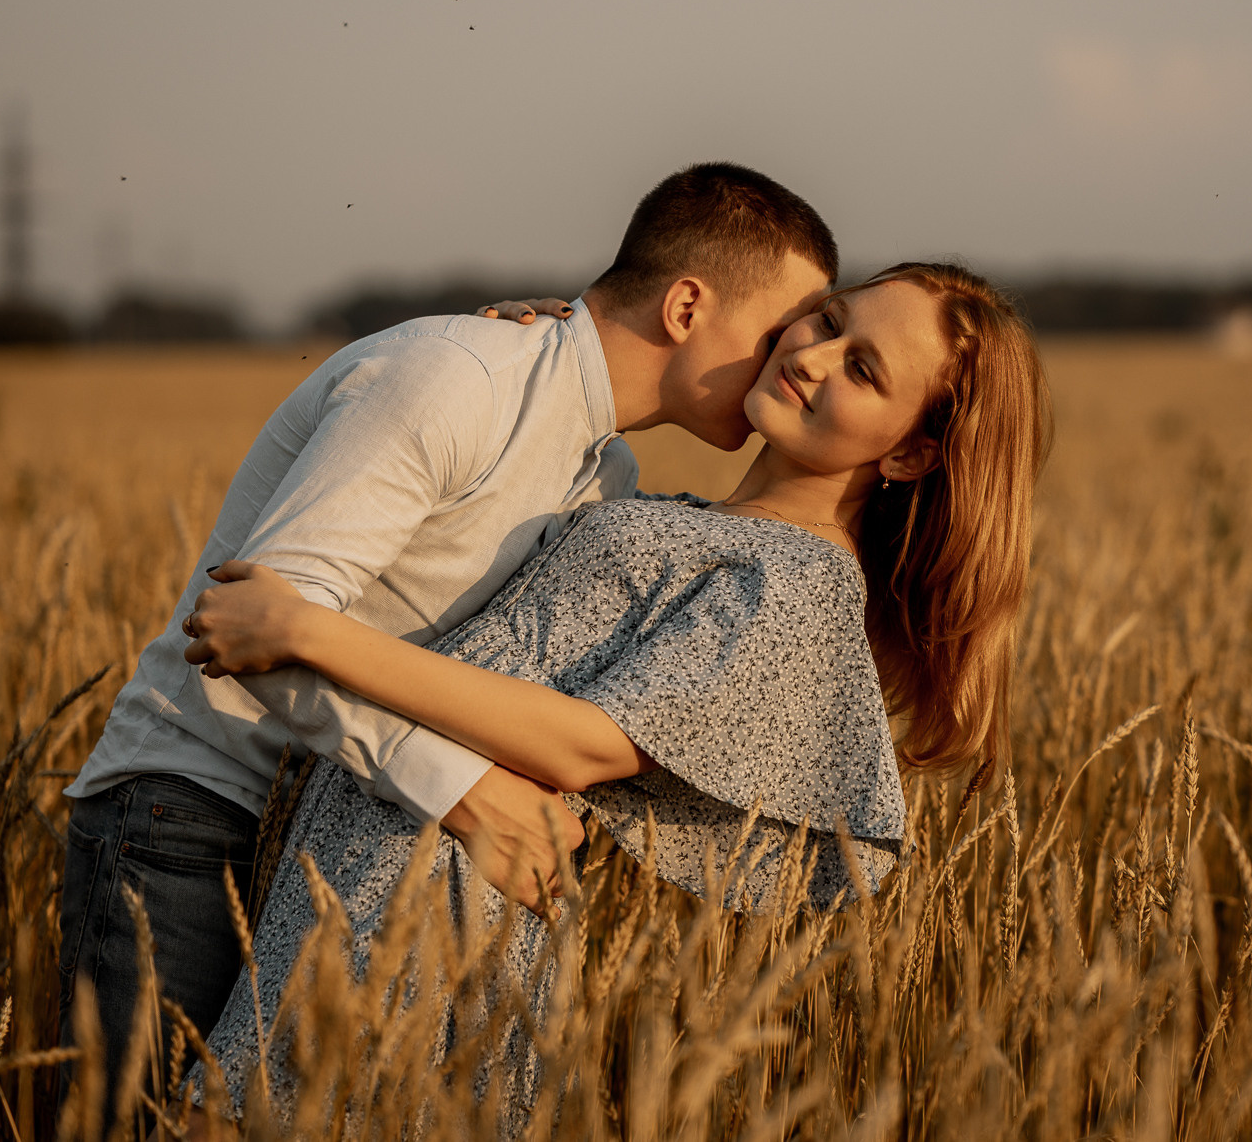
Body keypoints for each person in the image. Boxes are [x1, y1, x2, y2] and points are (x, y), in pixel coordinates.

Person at [179, 263, 1051, 1125]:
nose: (817, 357)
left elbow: (587, 743)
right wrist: (551, 361)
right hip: (373, 856)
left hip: (438, 908)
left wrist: (310, 632)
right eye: (829, 321)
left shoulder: (804, 581)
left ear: (908, 450)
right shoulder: (706, 520)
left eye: (864, 370)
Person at [55, 162, 838, 1119]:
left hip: (340, 846)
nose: (783, 368)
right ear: (685, 305)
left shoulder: (607, 471)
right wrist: (460, 790)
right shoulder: (455, 378)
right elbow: (248, 623)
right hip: (192, 816)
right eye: (772, 337)